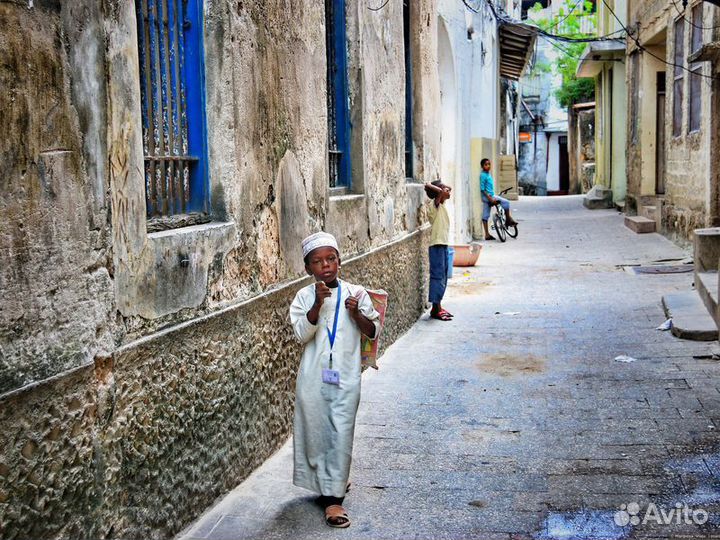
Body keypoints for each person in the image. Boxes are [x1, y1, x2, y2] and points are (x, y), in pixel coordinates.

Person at [289, 231, 381, 529]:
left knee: (340, 430)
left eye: (331, 259)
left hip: (346, 377)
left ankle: (333, 499)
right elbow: (302, 334)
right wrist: (316, 305)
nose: (326, 265)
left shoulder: (356, 294)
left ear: (340, 261)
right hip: (313, 379)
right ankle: (331, 479)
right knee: (317, 430)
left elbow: (373, 331)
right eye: (318, 262)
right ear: (308, 268)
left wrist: (357, 315)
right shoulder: (303, 297)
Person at [424, 180, 454, 321]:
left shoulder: (441, 204)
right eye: (442, 188)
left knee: (443, 277)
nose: (446, 190)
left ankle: (439, 306)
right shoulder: (433, 205)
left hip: (443, 244)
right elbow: (442, 192)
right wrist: (430, 185)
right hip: (436, 245)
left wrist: (442, 186)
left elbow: (449, 189)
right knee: (437, 276)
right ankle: (435, 309)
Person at [480, 158, 517, 240]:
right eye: (486, 164)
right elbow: (482, 189)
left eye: (489, 164)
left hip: (488, 197)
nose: (488, 166)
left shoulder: (487, 174)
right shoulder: (483, 175)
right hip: (489, 197)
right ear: (482, 166)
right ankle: (508, 220)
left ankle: (487, 235)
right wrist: (490, 199)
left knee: (485, 216)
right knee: (506, 202)